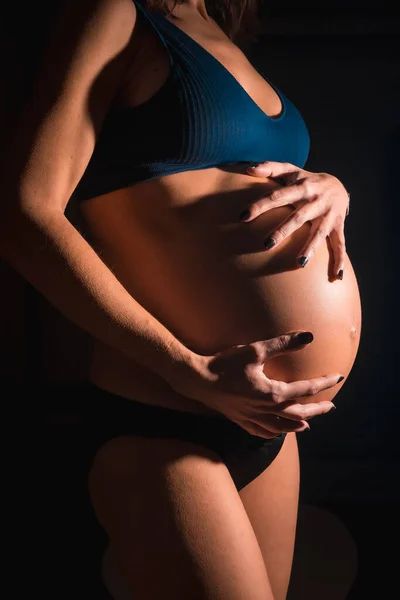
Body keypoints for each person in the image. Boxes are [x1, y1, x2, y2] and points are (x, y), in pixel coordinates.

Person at [0, 0, 362, 599]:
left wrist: (334, 186)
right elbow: (23, 211)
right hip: (163, 414)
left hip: (267, 421)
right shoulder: (115, 11)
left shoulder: (215, 27)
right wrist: (186, 370)